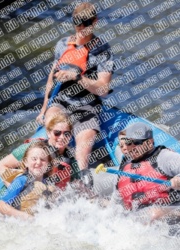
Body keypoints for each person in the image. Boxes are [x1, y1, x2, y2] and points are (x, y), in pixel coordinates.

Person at [36, 2, 114, 188]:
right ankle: (47, 173)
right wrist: (44, 109)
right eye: (77, 23)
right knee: (53, 124)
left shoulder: (102, 50)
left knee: (83, 147)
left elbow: (103, 89)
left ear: (95, 21)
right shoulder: (63, 45)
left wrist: (77, 77)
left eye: (86, 23)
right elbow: (51, 80)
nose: (81, 28)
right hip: (61, 101)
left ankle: (81, 180)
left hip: (86, 105)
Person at [116, 123, 180, 225]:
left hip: (178, 210)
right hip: (141, 215)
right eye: (127, 142)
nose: (129, 147)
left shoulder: (164, 157)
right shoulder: (125, 166)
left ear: (149, 142)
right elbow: (117, 200)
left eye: (134, 142)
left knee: (153, 214)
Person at [0, 114, 79, 189]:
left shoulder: (71, 159)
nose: (62, 137)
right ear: (49, 133)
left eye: (66, 134)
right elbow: (2, 165)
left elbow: (77, 184)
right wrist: (13, 189)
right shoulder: (32, 148)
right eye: (57, 133)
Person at [0, 141, 56, 220]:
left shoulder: (48, 184)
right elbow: (1, 206)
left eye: (42, 160)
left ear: (48, 165)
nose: (38, 162)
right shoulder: (21, 181)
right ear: (26, 162)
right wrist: (25, 216)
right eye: (34, 159)